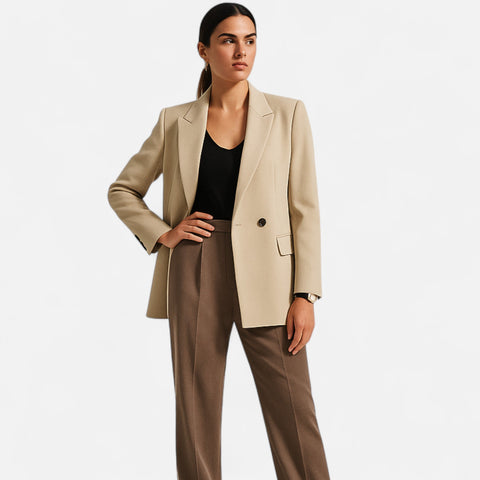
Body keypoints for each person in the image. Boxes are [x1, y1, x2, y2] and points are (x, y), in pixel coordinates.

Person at [107, 3, 331, 479]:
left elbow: (305, 209)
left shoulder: (288, 113)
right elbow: (123, 190)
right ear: (204, 50)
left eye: (250, 40)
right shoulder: (175, 120)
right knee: (196, 405)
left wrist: (305, 294)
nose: (241, 51)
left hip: (270, 274)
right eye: (228, 40)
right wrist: (163, 233)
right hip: (195, 263)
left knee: (294, 409)